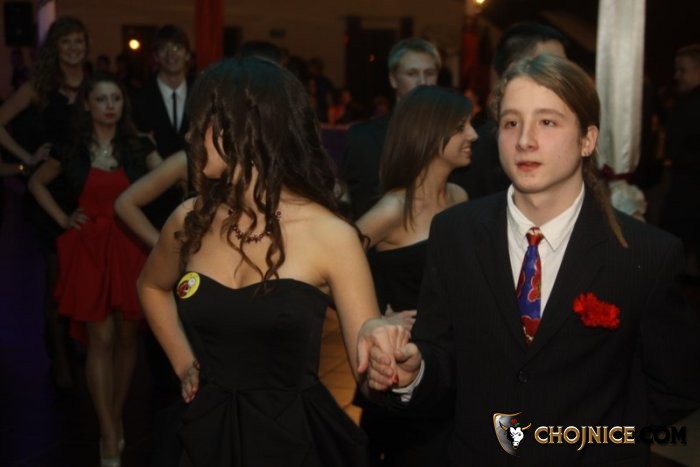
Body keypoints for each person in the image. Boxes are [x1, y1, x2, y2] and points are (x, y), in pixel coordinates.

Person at [367, 54, 700, 465]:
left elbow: (677, 386)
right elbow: (443, 355)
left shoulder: (644, 254)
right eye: (511, 122)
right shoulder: (456, 233)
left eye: (547, 122)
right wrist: (415, 373)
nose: (525, 139)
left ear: (587, 139)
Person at [136, 57, 403, 466]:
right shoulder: (190, 219)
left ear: (244, 128)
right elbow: (152, 286)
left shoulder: (331, 235)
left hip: (291, 442)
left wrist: (383, 369)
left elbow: (365, 373)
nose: (188, 134)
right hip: (203, 433)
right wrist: (184, 362)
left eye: (200, 122)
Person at [28, 72, 162, 467]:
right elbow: (36, 183)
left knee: (127, 337)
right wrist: (64, 218)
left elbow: (172, 175)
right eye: (101, 99)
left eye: (115, 98)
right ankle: (107, 432)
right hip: (89, 251)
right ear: (87, 104)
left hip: (130, 248)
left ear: (123, 105)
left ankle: (115, 416)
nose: (109, 105)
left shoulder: (139, 146)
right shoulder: (71, 147)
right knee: (100, 339)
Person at [355, 85, 477, 466]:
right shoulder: (393, 209)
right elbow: (329, 269)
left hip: (453, 359)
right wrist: (374, 318)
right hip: (407, 364)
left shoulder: (459, 197)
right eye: (462, 126)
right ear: (430, 133)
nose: (473, 135)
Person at [0, 16, 90, 389]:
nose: (73, 48)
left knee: (83, 277)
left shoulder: (95, 85)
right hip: (49, 193)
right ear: (54, 47)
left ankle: (78, 344)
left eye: (78, 41)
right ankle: (60, 360)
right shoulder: (39, 87)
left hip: (86, 192)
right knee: (55, 280)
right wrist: (26, 159)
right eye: (65, 41)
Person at [451, 21, 567, 199]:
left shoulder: (567, 138)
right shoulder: (471, 154)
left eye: (564, 67)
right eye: (552, 66)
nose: (564, 76)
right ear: (516, 70)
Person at [339, 37, 441, 220]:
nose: (422, 82)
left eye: (429, 73)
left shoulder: (452, 135)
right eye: (411, 73)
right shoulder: (365, 138)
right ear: (393, 79)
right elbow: (360, 204)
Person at [659, 44, 700, 278]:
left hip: (688, 192)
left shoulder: (689, 106)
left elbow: (674, 148)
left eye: (682, 70)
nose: (677, 77)